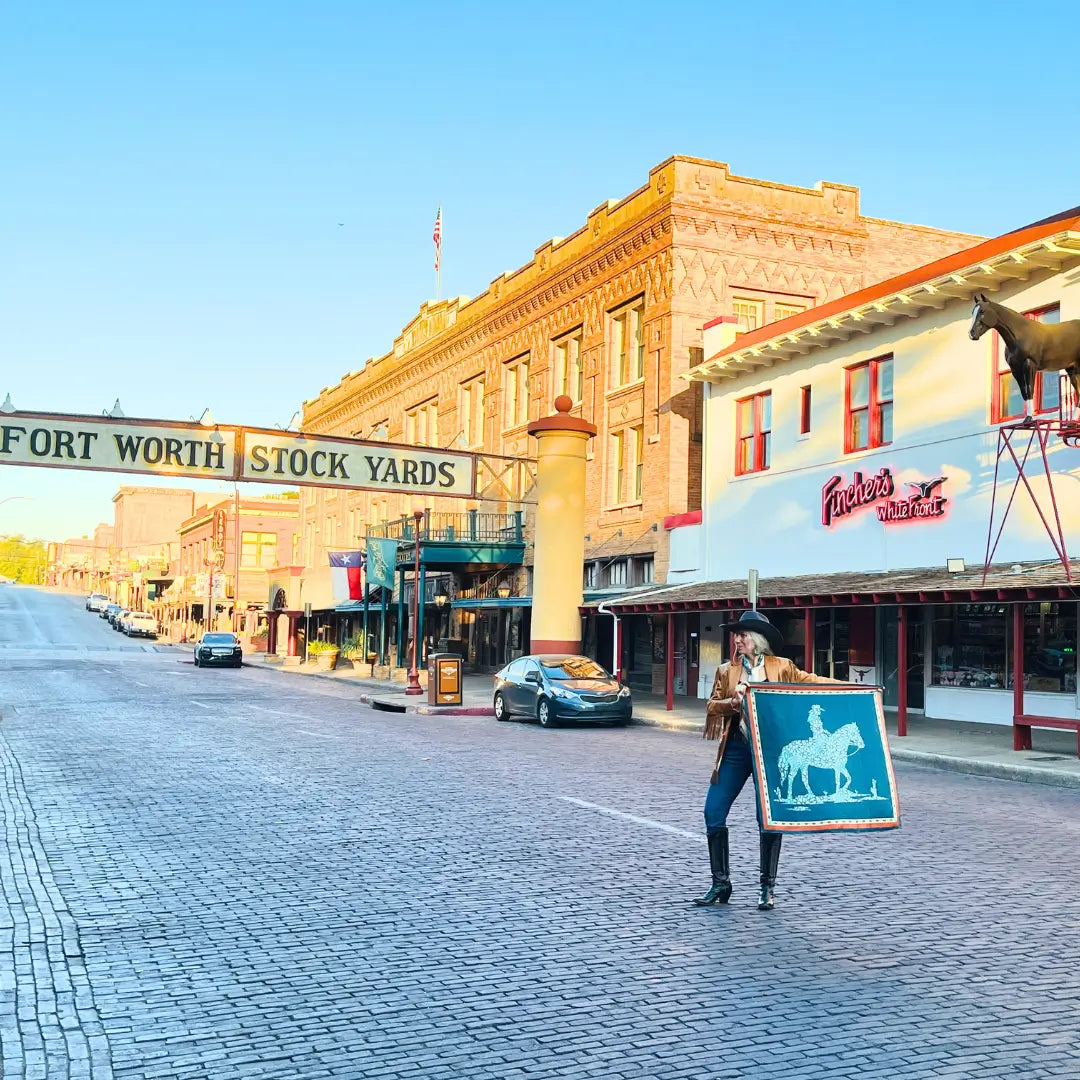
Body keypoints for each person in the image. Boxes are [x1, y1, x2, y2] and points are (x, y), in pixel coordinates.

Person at [692, 609, 839, 912]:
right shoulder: (726, 670)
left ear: (757, 640)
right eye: (735, 635)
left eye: (742, 635)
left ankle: (766, 887)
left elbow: (811, 681)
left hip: (769, 751)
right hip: (735, 749)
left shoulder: (781, 667)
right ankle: (721, 883)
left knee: (767, 818)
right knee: (713, 811)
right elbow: (711, 706)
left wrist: (852, 689)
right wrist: (733, 702)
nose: (737, 640)